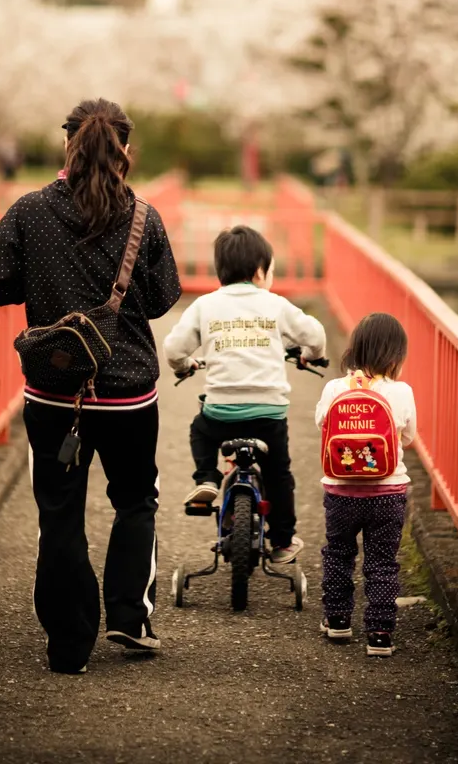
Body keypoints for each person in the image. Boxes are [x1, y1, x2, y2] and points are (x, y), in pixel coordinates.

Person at [0, 98, 181, 673]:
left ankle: (69, 645)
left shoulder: (29, 211)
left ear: (67, 145)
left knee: (59, 511)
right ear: (125, 150)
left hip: (53, 392)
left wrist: (41, 287)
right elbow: (165, 297)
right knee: (136, 499)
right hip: (128, 394)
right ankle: (128, 617)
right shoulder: (144, 217)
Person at [164, 225, 326, 564]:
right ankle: (281, 540)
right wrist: (311, 353)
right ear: (259, 271)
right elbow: (314, 333)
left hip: (222, 412)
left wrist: (184, 365)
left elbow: (174, 348)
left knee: (200, 429)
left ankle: (207, 478)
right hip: (268, 413)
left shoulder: (205, 305)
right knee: (279, 474)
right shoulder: (277, 305)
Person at [315, 312, 416, 654]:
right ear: (394, 356)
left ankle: (339, 620)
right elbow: (409, 437)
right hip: (388, 493)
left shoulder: (334, 388)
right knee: (382, 561)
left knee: (339, 553)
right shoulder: (402, 391)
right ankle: (380, 634)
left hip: (340, 491)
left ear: (354, 349)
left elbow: (321, 424)